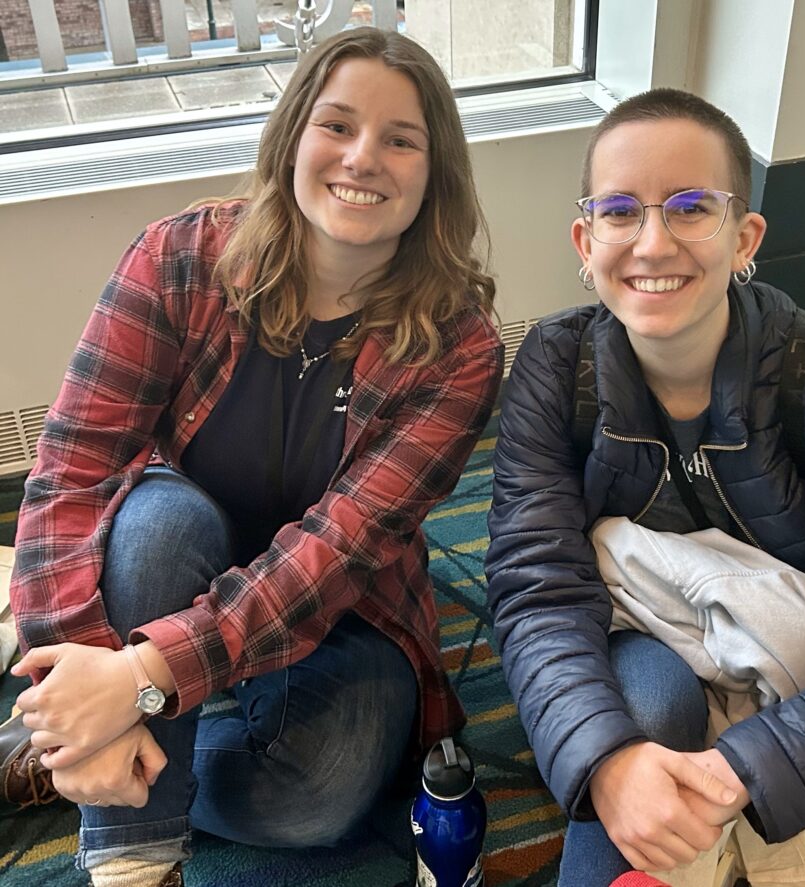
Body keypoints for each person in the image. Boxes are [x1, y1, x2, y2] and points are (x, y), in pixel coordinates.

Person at [3, 26, 502, 887]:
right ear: (293, 136)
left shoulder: (460, 347)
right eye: (337, 125)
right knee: (157, 523)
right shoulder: (178, 259)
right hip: (175, 557)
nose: (364, 157)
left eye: (401, 139)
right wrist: (77, 705)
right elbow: (74, 466)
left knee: (315, 795)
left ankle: (95, 741)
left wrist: (139, 683)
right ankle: (133, 857)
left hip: (345, 605)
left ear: (435, 175)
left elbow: (333, 553)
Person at [484, 87, 805, 887]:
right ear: (585, 243)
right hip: (654, 632)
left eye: (692, 206)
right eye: (621, 212)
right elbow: (536, 592)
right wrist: (610, 762)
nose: (653, 242)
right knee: (643, 720)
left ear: (744, 237)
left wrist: (742, 769)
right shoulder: (554, 372)